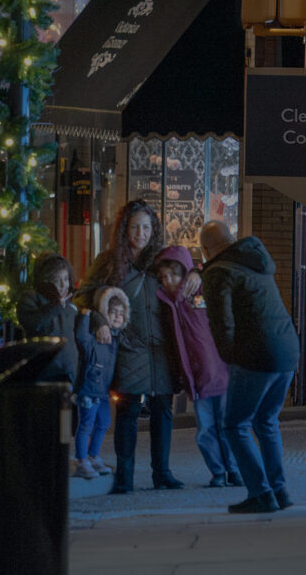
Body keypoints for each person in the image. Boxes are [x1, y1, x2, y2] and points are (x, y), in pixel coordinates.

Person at [76, 199, 197, 494]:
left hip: (162, 347)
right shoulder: (109, 261)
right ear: (124, 230)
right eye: (134, 227)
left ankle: (163, 474)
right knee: (128, 410)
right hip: (129, 346)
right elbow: (83, 295)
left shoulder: (163, 260)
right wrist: (100, 315)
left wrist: (195, 273)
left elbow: (190, 274)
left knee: (162, 411)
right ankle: (125, 476)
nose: (140, 233)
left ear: (153, 229)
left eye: (146, 227)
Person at [198, 221, 300, 514]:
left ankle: (261, 493)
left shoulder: (218, 273)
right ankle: (279, 491)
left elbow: (222, 324)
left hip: (257, 355)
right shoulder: (255, 259)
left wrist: (231, 358)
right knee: (266, 422)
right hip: (287, 350)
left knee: (234, 425)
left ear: (205, 249)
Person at [154, 244, 241, 489]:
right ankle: (218, 472)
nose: (168, 281)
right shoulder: (166, 302)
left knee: (226, 425)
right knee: (205, 429)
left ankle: (233, 469)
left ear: (184, 272)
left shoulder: (199, 290)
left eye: (173, 274)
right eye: (163, 277)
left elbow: (219, 277)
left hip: (221, 370)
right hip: (198, 377)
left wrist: (198, 271)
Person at [72, 286, 127, 479]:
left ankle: (94, 455)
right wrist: (85, 315)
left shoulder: (116, 340)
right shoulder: (95, 338)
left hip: (103, 391)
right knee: (86, 424)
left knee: (104, 422)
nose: (117, 317)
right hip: (88, 389)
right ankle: (82, 460)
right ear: (105, 314)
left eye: (121, 314)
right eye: (113, 313)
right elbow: (80, 337)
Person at [16, 253, 79, 384]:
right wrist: (55, 305)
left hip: (69, 372)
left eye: (66, 279)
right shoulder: (31, 298)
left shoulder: (72, 301)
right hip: (44, 372)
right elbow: (33, 323)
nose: (63, 285)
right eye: (57, 280)